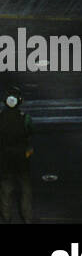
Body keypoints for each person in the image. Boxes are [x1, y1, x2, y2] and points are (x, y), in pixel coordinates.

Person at [0, 86, 33, 223]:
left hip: (5, 157)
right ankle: (27, 218)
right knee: (25, 189)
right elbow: (29, 133)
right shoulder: (25, 118)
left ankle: (6, 218)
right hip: (21, 158)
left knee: (6, 190)